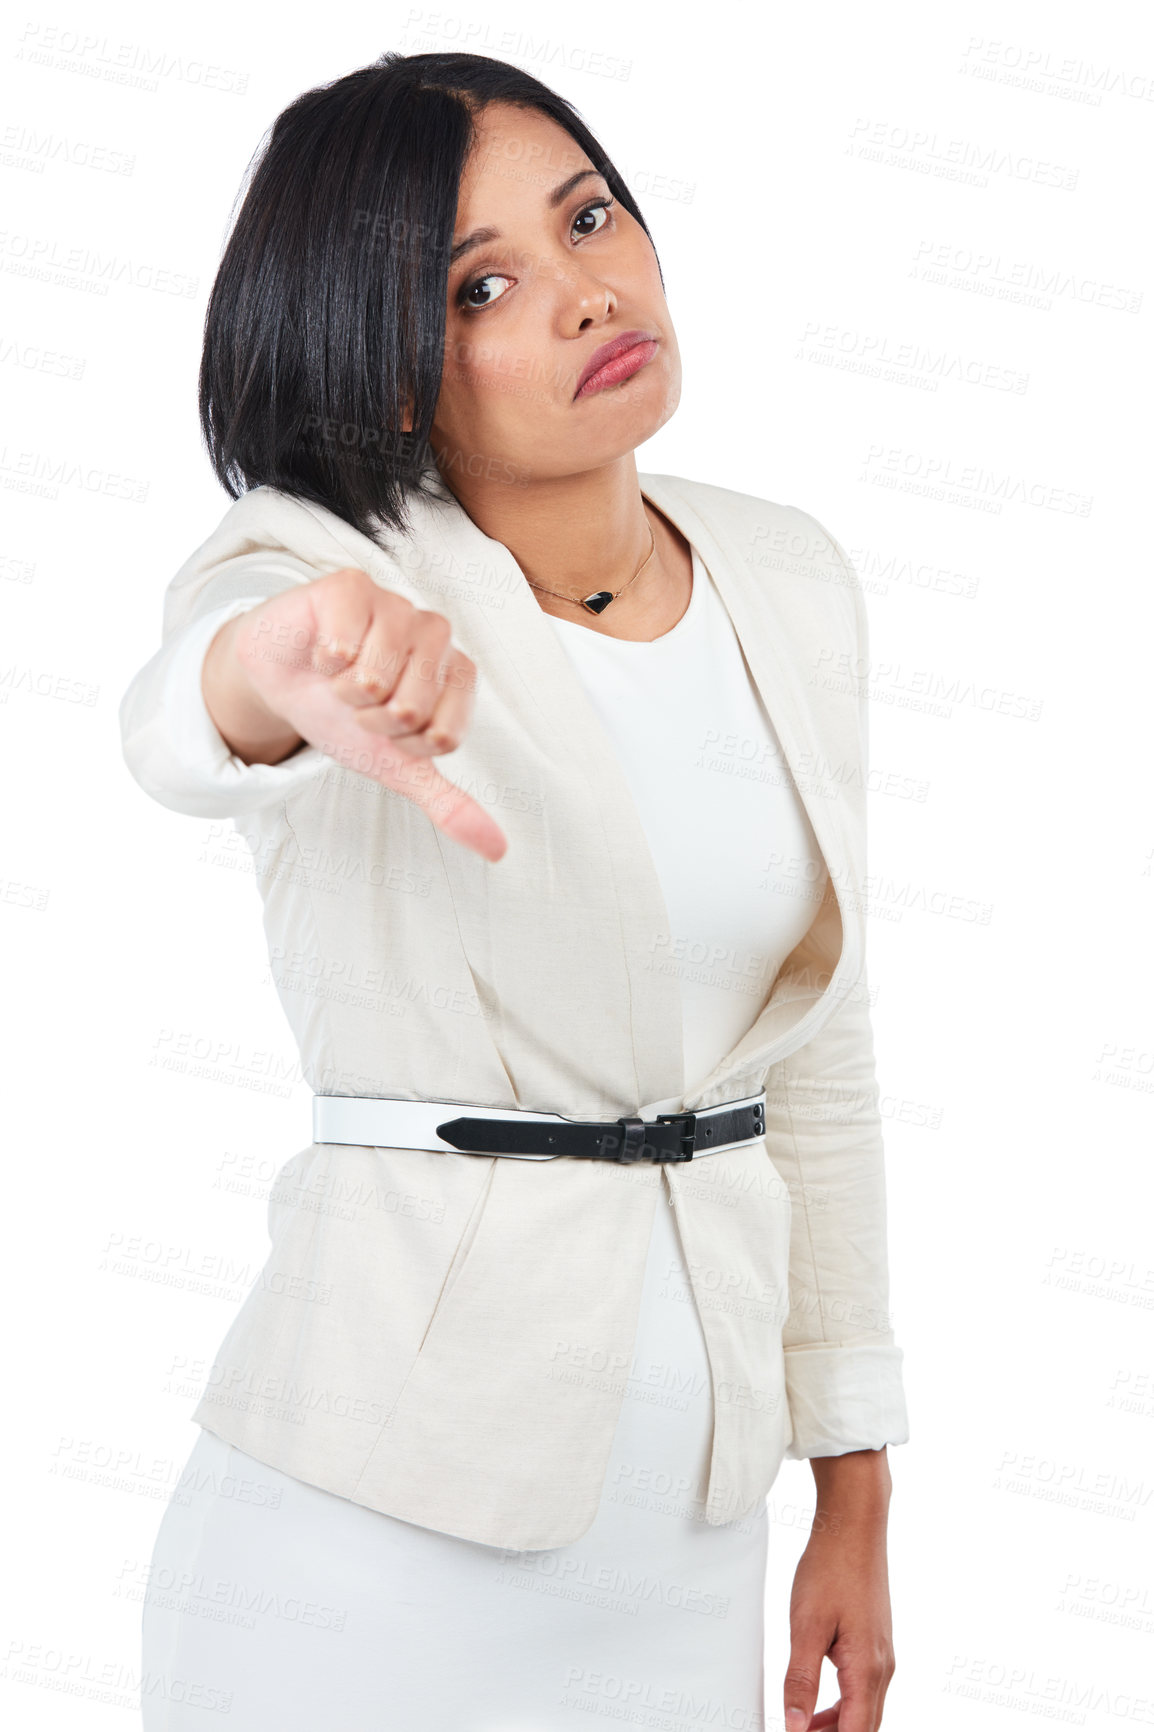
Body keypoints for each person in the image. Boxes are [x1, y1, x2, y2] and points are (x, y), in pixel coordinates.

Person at [119, 50, 909, 1732]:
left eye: (588, 217)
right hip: (364, 1549)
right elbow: (186, 711)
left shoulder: (789, 579)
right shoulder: (329, 574)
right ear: (395, 371)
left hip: (690, 1548)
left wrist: (852, 1493)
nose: (584, 291)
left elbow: (814, 1057)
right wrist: (288, 665)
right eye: (484, 284)